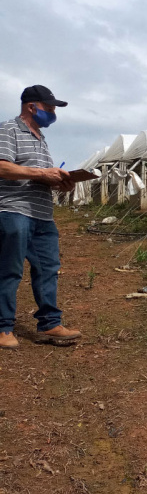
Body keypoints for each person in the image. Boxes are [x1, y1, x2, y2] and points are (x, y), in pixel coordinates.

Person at [0, 85, 81, 349]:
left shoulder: (40, 139)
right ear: (31, 107)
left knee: (48, 269)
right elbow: (2, 166)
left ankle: (49, 324)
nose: (53, 113)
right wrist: (41, 173)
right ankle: (3, 328)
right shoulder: (8, 129)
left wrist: (59, 182)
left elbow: (38, 176)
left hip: (42, 215)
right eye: (50, 108)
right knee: (9, 270)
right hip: (14, 210)